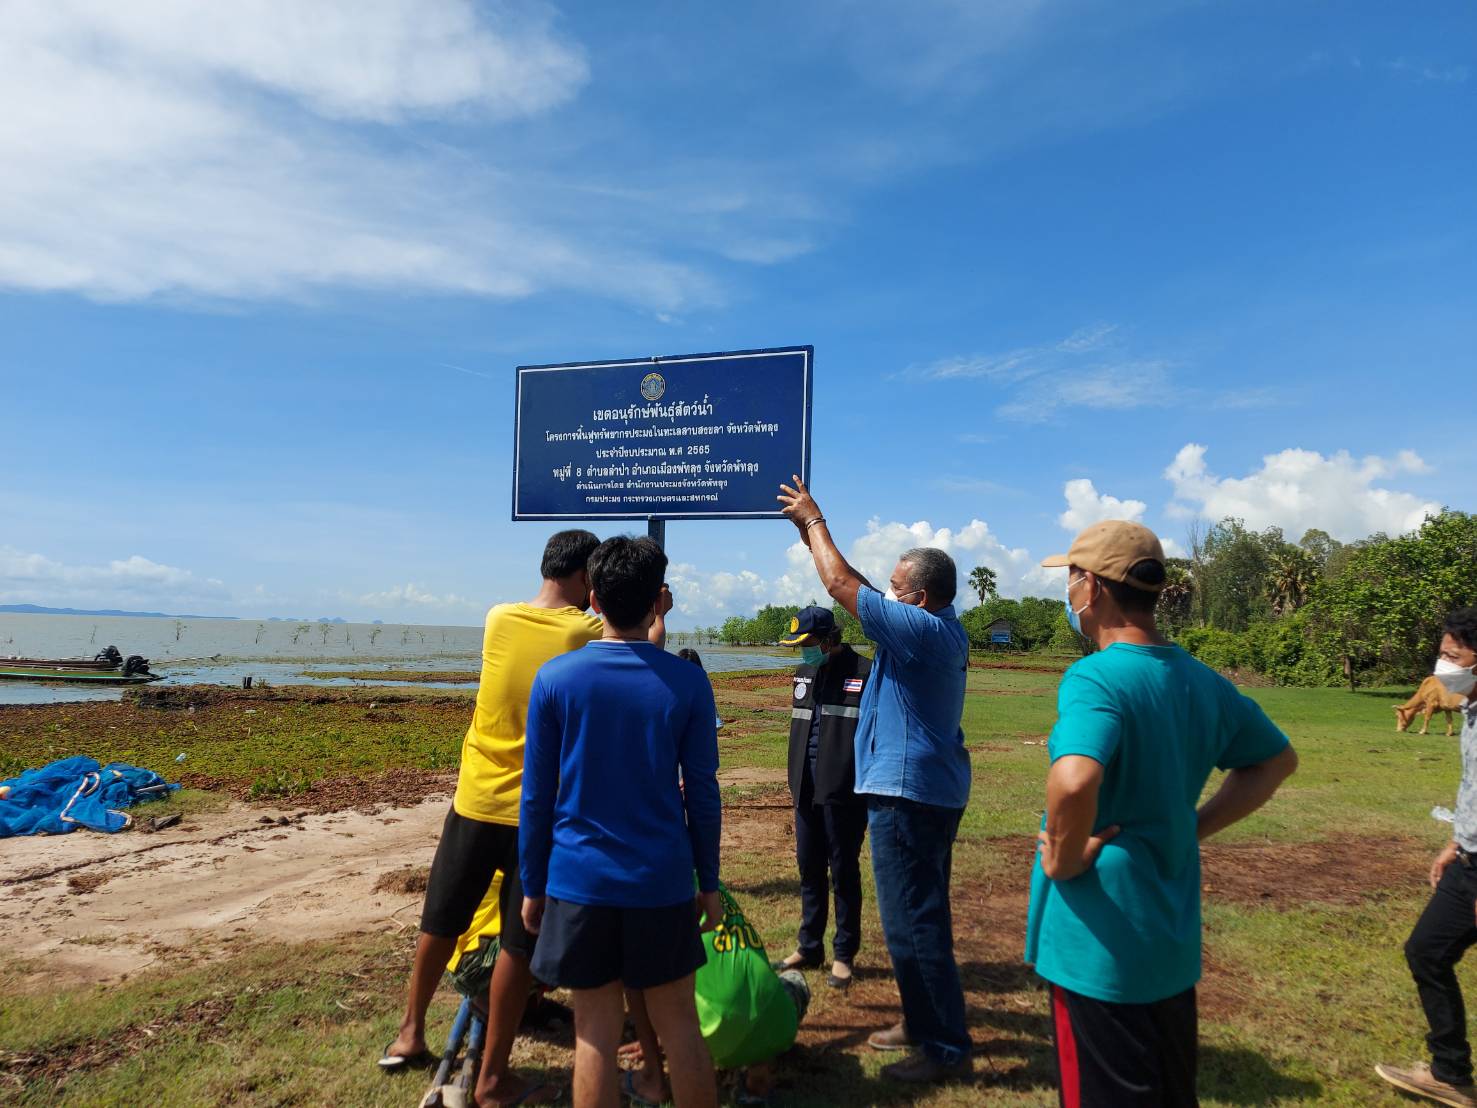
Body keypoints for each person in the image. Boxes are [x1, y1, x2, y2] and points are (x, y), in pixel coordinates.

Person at [380, 530, 666, 1108]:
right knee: (517, 942)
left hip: (474, 797)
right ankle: (492, 1077)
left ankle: (409, 1032)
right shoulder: (582, 632)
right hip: (537, 812)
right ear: (591, 583)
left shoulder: (496, 619)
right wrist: (656, 612)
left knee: (440, 920)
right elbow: (639, 648)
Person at [1025, 520, 1298, 1108]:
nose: (1069, 591)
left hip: (1099, 939)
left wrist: (1066, 859)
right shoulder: (1203, 681)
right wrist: (1192, 825)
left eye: (1071, 578)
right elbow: (1275, 762)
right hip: (1168, 940)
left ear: (1092, 588)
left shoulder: (1095, 677)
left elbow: (1074, 780)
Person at [777, 475, 974, 1083]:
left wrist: (814, 522)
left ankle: (945, 1050)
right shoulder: (925, 625)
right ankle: (921, 1023)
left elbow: (840, 586)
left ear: (915, 599)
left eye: (894, 588)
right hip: (917, 791)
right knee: (912, 917)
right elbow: (857, 587)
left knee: (915, 921)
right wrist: (819, 541)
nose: (884, 596)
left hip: (909, 794)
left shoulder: (923, 631)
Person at [519, 535, 722, 1108]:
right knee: (680, 1025)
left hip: (580, 882)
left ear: (594, 601)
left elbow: (537, 796)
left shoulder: (557, 679)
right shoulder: (686, 682)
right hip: (660, 882)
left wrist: (533, 884)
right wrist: (708, 883)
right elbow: (702, 795)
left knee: (594, 1035)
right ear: (660, 600)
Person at [1377, 608, 1477, 1107]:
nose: (1442, 665)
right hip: (1469, 860)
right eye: (1441, 653)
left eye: (1452, 655)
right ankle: (1451, 1073)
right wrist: (1457, 841)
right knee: (1426, 952)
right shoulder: (1470, 711)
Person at [623, 882, 812, 1107]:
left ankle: (654, 1077)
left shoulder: (649, 901)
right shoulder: (712, 888)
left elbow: (638, 982)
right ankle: (759, 1069)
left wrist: (653, 1041)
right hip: (776, 1022)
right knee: (792, 981)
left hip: (710, 1039)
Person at [770, 605, 872, 991]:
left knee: (843, 872)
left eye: (807, 644)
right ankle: (809, 946)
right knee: (809, 869)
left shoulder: (865, 674)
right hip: (805, 789)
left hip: (844, 792)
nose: (802, 651)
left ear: (829, 639)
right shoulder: (804, 672)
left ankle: (844, 954)